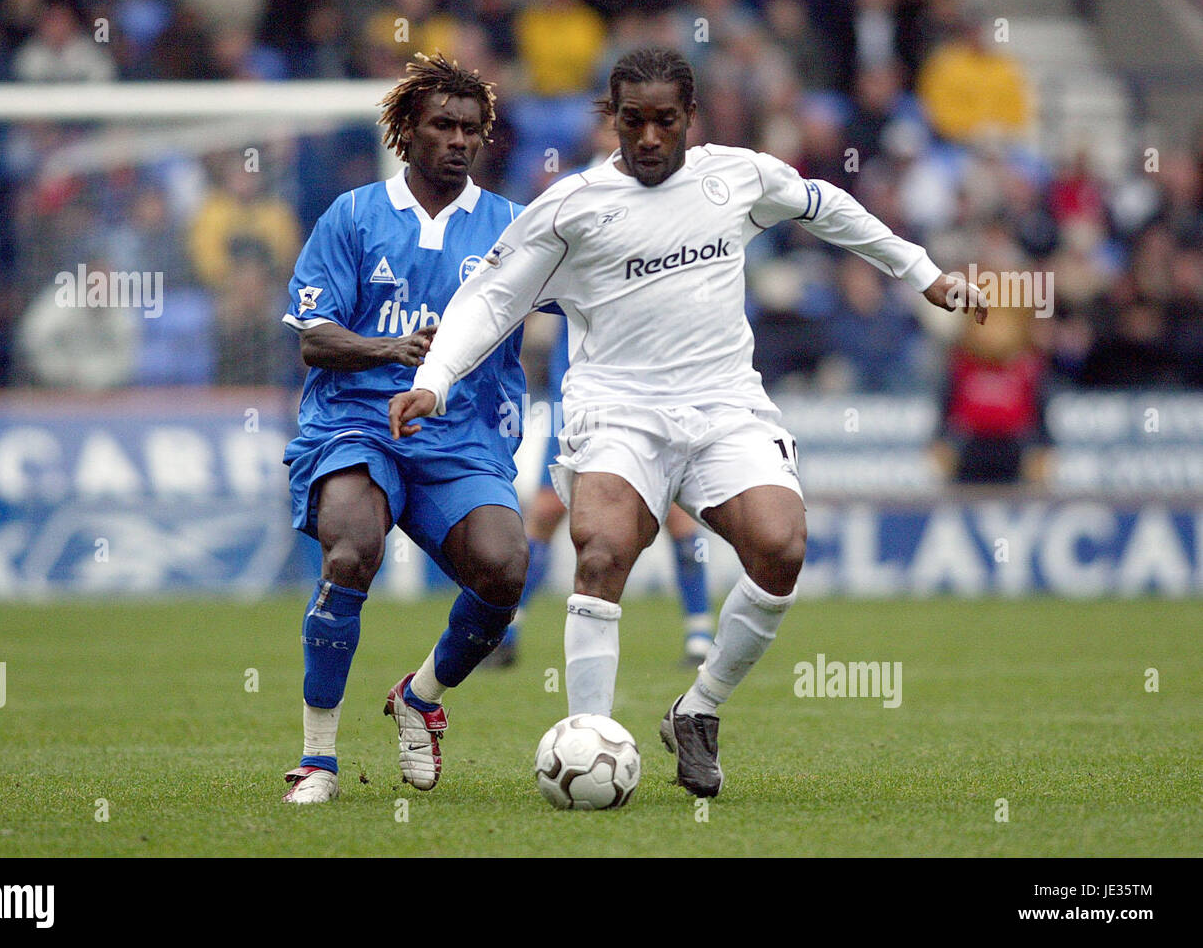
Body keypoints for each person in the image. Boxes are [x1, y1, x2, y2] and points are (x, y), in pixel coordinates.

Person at [390, 47, 987, 798]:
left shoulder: (735, 177)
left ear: (689, 119)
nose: (647, 138)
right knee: (602, 549)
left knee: (780, 545)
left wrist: (922, 273)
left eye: (663, 122)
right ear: (612, 119)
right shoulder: (572, 206)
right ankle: (591, 738)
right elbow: (491, 296)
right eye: (632, 122)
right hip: (618, 409)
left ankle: (697, 710)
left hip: (724, 404)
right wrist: (435, 379)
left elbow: (825, 204)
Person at [279, 54, 530, 804]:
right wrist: (388, 348)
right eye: (442, 125)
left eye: (471, 129)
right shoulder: (353, 215)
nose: (458, 140)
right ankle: (318, 758)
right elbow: (312, 337)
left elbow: (581, 299)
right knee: (353, 549)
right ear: (406, 132)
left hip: (460, 437)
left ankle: (420, 696)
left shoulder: (512, 229)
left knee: (505, 569)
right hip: (355, 425)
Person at [487, 307, 715, 671]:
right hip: (573, 404)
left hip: (643, 401)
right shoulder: (574, 258)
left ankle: (700, 636)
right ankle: (505, 635)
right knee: (546, 511)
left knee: (671, 510)